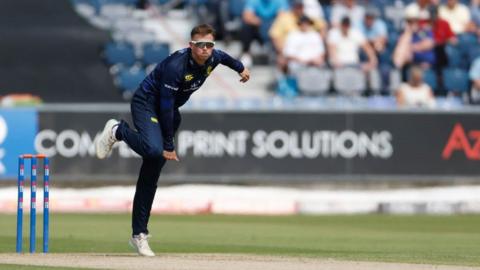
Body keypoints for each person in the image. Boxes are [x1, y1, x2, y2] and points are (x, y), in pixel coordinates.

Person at [94, 24, 250, 257]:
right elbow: (166, 107)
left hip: (169, 111)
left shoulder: (213, 56)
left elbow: (226, 57)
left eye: (209, 45)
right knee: (154, 150)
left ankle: (139, 235)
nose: (206, 49)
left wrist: (241, 69)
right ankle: (118, 130)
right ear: (191, 45)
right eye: (200, 45)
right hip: (147, 104)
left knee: (151, 174)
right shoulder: (177, 67)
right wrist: (169, 144)